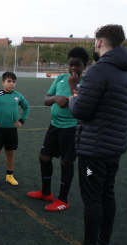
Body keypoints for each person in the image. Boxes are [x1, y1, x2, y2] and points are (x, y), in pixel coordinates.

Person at [59, 24, 127, 245]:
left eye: (95, 41)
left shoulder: (98, 71)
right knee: (107, 194)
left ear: (100, 42)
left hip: (95, 148)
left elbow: (81, 110)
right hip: (115, 146)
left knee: (93, 197)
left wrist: (74, 97)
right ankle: (105, 243)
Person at [27, 47, 89, 212]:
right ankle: (46, 193)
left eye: (78, 65)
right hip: (55, 125)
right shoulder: (61, 78)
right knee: (44, 157)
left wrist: (73, 86)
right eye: (71, 64)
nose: (74, 68)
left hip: (72, 128)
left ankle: (63, 200)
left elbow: (83, 106)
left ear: (85, 66)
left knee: (66, 162)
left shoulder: (87, 82)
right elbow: (46, 100)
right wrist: (55, 98)